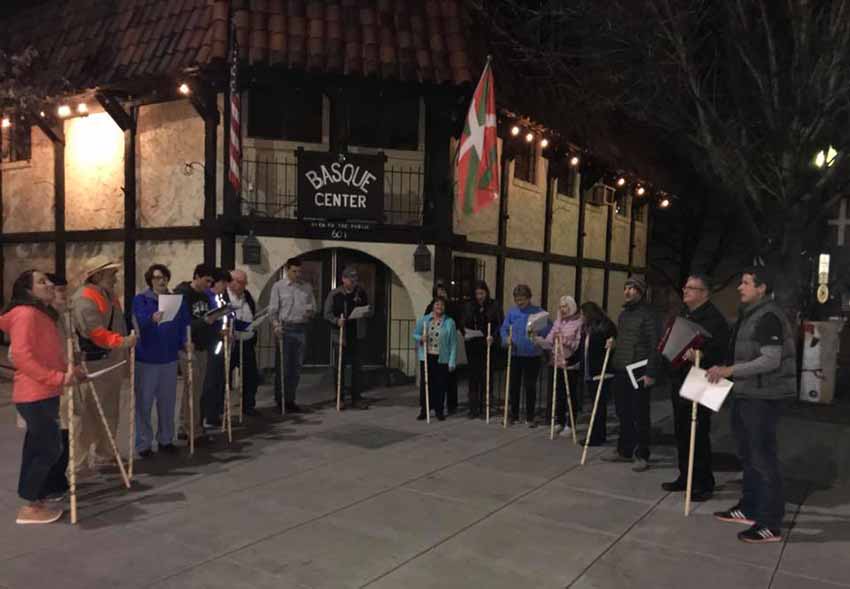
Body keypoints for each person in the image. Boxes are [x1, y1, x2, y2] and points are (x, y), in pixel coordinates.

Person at [708, 267, 796, 544]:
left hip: (763, 397)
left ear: (761, 288)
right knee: (748, 456)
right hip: (747, 394)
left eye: (746, 283)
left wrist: (730, 370)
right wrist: (725, 367)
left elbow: (771, 360)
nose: (739, 287)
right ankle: (749, 507)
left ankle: (770, 523)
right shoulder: (751, 315)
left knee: (764, 459)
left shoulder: (769, 316)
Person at [0, 270, 86, 524]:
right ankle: (31, 506)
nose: (49, 284)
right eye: (42, 282)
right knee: (47, 448)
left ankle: (35, 499)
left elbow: (50, 354)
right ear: (28, 291)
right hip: (34, 393)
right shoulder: (26, 315)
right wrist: (59, 378)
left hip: (45, 392)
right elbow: (24, 357)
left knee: (40, 448)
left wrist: (71, 372)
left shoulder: (41, 314)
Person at [661, 273, 730, 501]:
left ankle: (703, 482)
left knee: (698, 432)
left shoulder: (715, 320)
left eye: (691, 288)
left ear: (704, 293)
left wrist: (700, 355)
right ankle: (685, 476)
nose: (685, 291)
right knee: (682, 430)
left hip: (704, 379)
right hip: (681, 378)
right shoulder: (684, 315)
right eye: (685, 287)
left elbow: (722, 353)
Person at [71, 257, 137, 470]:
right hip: (95, 364)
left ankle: (105, 452)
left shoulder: (108, 295)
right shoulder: (84, 298)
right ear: (97, 275)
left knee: (110, 410)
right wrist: (123, 342)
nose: (115, 278)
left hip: (111, 361)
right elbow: (94, 332)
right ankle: (78, 463)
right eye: (111, 274)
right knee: (89, 414)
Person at [131, 264, 191, 457]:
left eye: (164, 276)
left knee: (167, 402)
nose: (161, 280)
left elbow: (183, 325)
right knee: (144, 403)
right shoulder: (141, 300)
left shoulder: (175, 300)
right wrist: (151, 318)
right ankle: (143, 444)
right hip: (146, 359)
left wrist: (185, 343)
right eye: (157, 277)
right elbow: (137, 322)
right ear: (150, 280)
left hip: (169, 359)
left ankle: (166, 439)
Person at [605, 276, 661, 472]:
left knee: (640, 414)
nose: (627, 291)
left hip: (639, 369)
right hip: (621, 367)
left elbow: (656, 345)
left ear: (641, 291)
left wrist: (651, 372)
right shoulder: (624, 315)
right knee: (623, 412)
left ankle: (642, 454)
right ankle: (624, 449)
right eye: (626, 287)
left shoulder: (649, 315)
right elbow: (626, 339)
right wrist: (615, 344)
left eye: (632, 288)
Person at [269, 258, 316, 414]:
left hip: (301, 328)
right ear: (287, 270)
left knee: (296, 367)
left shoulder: (306, 287)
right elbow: (273, 310)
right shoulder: (278, 287)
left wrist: (310, 312)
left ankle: (290, 399)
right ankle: (280, 399)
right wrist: (275, 325)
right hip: (285, 328)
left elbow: (313, 307)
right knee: (283, 366)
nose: (297, 274)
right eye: (294, 271)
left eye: (299, 271)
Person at [174, 264, 215, 440]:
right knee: (193, 388)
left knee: (195, 389)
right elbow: (182, 323)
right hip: (187, 346)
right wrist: (205, 321)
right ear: (197, 276)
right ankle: (193, 429)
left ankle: (186, 426)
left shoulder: (205, 297)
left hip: (202, 346)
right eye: (207, 280)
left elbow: (204, 319)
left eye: (211, 282)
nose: (209, 285)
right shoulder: (183, 294)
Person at [500, 284, 549, 427]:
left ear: (529, 298)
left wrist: (541, 337)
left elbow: (547, 330)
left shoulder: (538, 312)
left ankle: (530, 416)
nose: (520, 303)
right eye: (517, 300)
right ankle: (514, 415)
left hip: (532, 355)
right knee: (513, 386)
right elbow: (504, 329)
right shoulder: (512, 313)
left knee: (530, 386)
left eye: (522, 300)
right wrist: (506, 339)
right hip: (515, 353)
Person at [323, 266, 372, 410]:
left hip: (357, 334)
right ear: (343, 279)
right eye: (351, 278)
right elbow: (327, 314)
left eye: (355, 278)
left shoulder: (361, 292)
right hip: (341, 335)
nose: (354, 281)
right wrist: (337, 321)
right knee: (340, 368)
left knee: (357, 368)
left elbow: (369, 308)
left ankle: (357, 398)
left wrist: (366, 312)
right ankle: (340, 398)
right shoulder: (335, 294)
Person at [534, 296, 582, 436]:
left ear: (572, 307)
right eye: (561, 306)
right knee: (559, 393)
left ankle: (570, 423)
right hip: (556, 361)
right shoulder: (558, 321)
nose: (563, 309)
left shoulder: (579, 323)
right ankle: (559, 421)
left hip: (570, 362)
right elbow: (550, 340)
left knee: (570, 394)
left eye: (565, 306)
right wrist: (539, 340)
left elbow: (577, 344)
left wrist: (564, 340)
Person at [413, 296, 458, 421]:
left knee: (440, 384)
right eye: (437, 304)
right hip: (426, 356)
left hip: (442, 357)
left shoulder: (450, 322)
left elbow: (453, 343)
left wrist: (452, 360)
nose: (440, 307)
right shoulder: (424, 320)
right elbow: (415, 334)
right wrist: (421, 338)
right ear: (433, 305)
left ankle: (439, 410)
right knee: (426, 384)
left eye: (442, 305)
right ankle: (425, 409)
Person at [462, 280, 502, 418]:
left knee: (486, 376)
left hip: (487, 344)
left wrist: (493, 336)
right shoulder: (469, 306)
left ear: (486, 292)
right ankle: (473, 408)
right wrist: (465, 333)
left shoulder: (494, 305)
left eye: (482, 293)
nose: (479, 296)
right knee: (473, 376)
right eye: (477, 293)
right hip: (473, 344)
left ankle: (485, 407)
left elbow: (499, 323)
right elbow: (463, 323)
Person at [580, 302, 617, 446]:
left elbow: (613, 345)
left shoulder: (606, 326)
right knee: (595, 404)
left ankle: (596, 436)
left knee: (598, 405)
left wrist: (611, 345)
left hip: (602, 371)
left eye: (583, 314)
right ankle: (597, 434)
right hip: (590, 371)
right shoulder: (587, 328)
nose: (581, 317)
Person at [424, 279, 463, 414]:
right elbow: (425, 322)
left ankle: (452, 404)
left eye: (443, 291)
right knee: (434, 378)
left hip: (447, 344)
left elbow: (457, 322)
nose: (441, 293)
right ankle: (433, 404)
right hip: (433, 347)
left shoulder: (452, 306)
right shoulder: (431, 306)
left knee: (450, 377)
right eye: (439, 291)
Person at [200, 268, 233, 431]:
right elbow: (207, 320)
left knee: (219, 380)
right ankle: (207, 416)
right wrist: (218, 330)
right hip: (212, 344)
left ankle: (215, 413)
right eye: (224, 283)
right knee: (210, 381)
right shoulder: (208, 297)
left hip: (221, 343)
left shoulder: (220, 297)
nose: (225, 287)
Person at [226, 269, 260, 416]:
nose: (243, 285)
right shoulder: (224, 296)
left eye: (245, 282)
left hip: (246, 342)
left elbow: (252, 314)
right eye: (240, 282)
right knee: (223, 376)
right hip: (229, 343)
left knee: (251, 376)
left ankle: (248, 406)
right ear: (231, 282)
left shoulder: (247, 297)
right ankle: (220, 409)